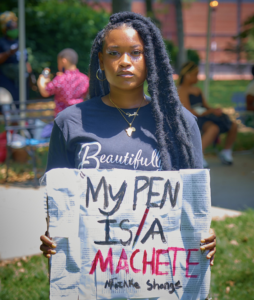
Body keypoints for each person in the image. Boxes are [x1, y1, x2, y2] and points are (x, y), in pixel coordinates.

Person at [40, 12, 216, 293]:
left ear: (151, 60)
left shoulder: (179, 125)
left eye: (136, 53)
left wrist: (204, 234)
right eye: (114, 53)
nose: (125, 61)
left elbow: (194, 205)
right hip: (92, 280)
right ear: (101, 60)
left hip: (159, 280)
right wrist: (54, 234)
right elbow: (57, 198)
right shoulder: (70, 122)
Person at [178, 61, 238, 168]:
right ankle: (198, 155)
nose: (198, 77)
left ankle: (226, 151)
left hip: (204, 116)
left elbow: (205, 106)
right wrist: (209, 111)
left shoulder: (197, 89)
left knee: (233, 125)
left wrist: (214, 110)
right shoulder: (181, 90)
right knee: (213, 128)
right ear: (187, 75)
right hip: (194, 119)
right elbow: (188, 111)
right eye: (195, 74)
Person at [37, 48, 89, 117]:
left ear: (64, 61)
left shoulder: (60, 79)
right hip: (79, 117)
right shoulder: (84, 78)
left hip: (62, 119)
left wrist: (40, 82)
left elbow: (45, 92)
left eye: (59, 63)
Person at [0, 11, 32, 110]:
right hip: (7, 81)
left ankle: (21, 123)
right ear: (5, 28)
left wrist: (31, 76)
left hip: (22, 80)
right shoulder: (2, 42)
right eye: (12, 26)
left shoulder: (19, 41)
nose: (15, 28)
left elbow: (25, 60)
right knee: (10, 106)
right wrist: (9, 52)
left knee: (22, 105)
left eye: (15, 25)